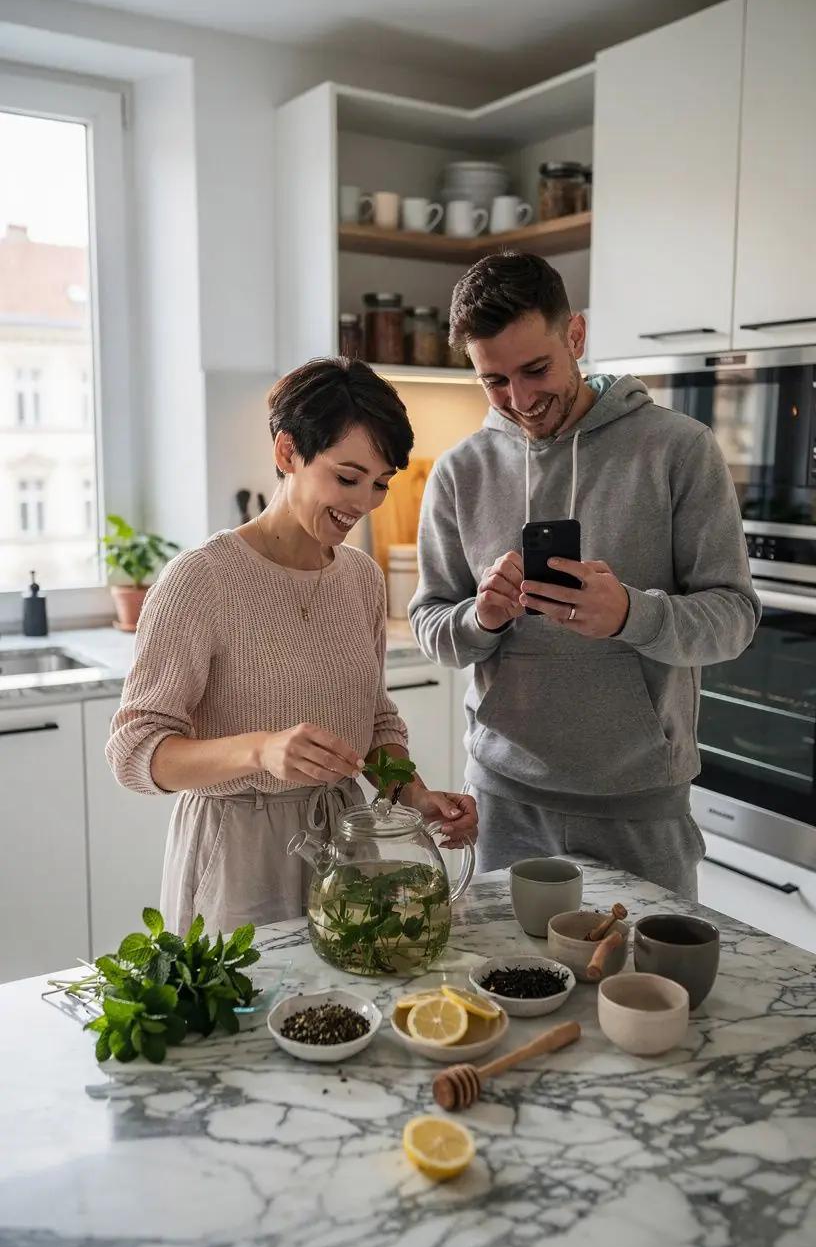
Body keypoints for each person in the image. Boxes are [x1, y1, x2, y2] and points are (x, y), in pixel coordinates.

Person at [409, 252, 760, 897]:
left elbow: (733, 621)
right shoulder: (461, 471)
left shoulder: (678, 450)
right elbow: (431, 623)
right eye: (493, 381)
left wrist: (630, 614)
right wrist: (480, 618)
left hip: (639, 807)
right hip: (504, 802)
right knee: (508, 993)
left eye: (536, 369)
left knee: (649, 995)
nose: (520, 400)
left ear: (576, 335)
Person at [107, 357, 477, 935]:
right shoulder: (202, 580)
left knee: (349, 1008)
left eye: (381, 484)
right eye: (347, 477)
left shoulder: (359, 577)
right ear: (287, 454)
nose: (365, 503)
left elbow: (374, 717)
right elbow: (134, 752)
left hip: (345, 837)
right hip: (237, 852)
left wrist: (415, 795)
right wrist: (259, 751)